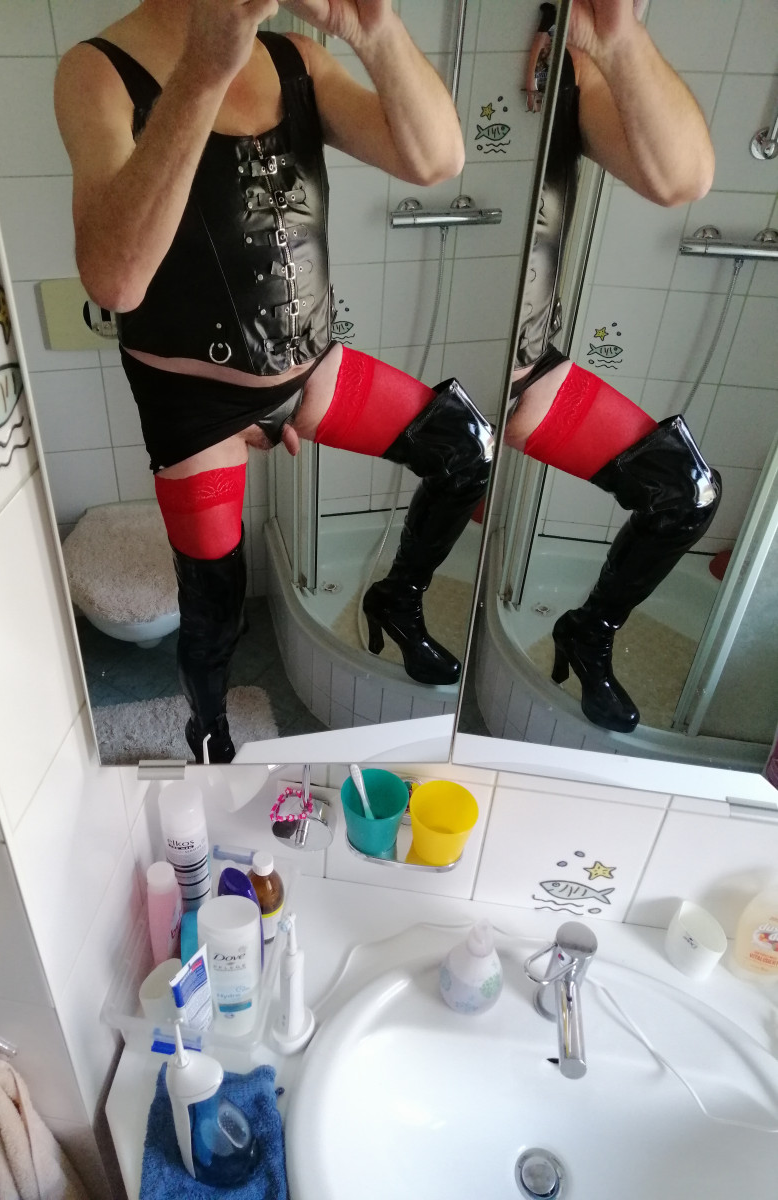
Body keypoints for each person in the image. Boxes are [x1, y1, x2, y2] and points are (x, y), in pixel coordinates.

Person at [54, 0, 493, 763]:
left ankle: (398, 598)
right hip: (197, 408)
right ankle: (210, 731)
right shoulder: (98, 70)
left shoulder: (297, 60)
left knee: (465, 448)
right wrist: (204, 70)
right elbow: (115, 282)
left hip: (314, 369)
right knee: (216, 608)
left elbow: (436, 161)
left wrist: (374, 29)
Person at [503, 0, 719, 733]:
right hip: (433, 365)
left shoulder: (570, 67)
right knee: (454, 458)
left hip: (526, 373)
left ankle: (588, 630)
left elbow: (682, 178)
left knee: (683, 492)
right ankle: (400, 595)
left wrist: (618, 40)